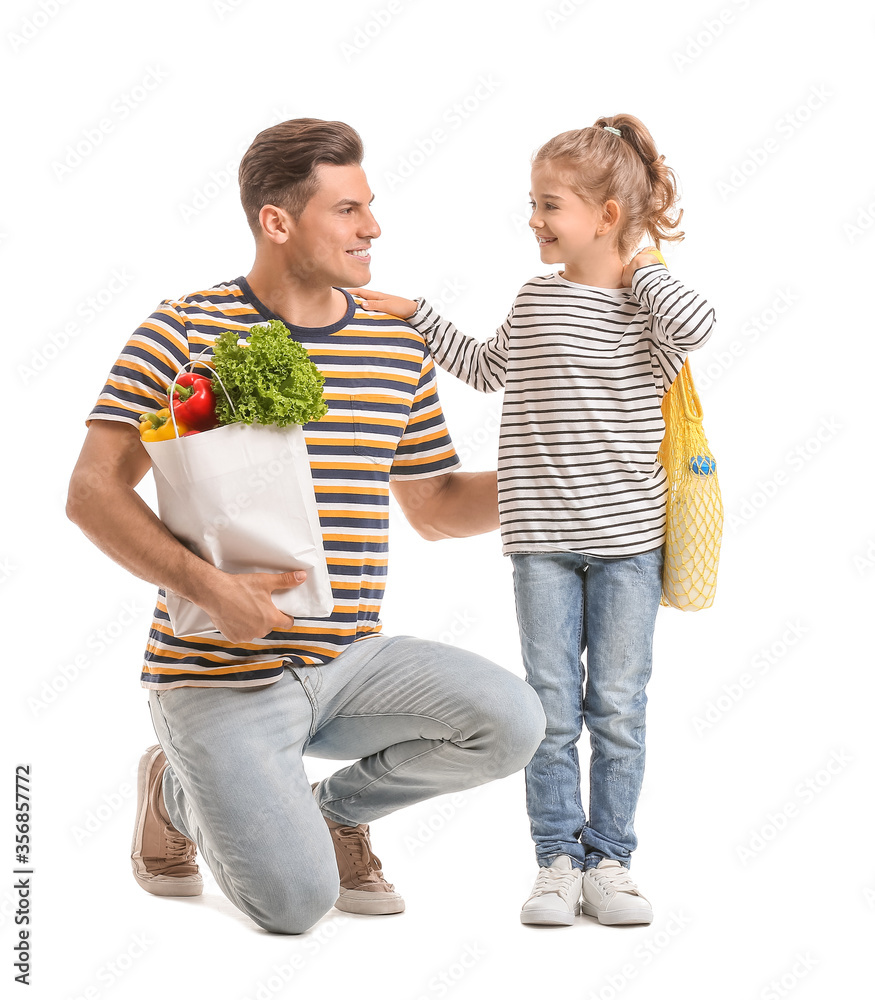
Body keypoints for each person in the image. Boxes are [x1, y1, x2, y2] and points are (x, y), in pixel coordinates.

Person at [66, 118, 546, 935]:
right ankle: (173, 790)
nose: (373, 228)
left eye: (370, 207)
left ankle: (331, 810)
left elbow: (433, 508)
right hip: (217, 672)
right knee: (295, 906)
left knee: (510, 724)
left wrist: (553, 475)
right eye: (349, 210)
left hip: (350, 662)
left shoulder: (394, 343)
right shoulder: (183, 330)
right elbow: (91, 494)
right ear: (277, 222)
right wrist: (210, 589)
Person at [352, 114, 716, 927]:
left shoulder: (648, 313)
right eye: (533, 202)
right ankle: (555, 859)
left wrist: (641, 264)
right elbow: (485, 368)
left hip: (627, 548)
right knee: (550, 709)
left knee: (616, 708)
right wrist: (415, 312)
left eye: (548, 205)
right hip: (540, 547)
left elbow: (697, 327)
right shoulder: (536, 298)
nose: (534, 220)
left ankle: (610, 861)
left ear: (606, 216)